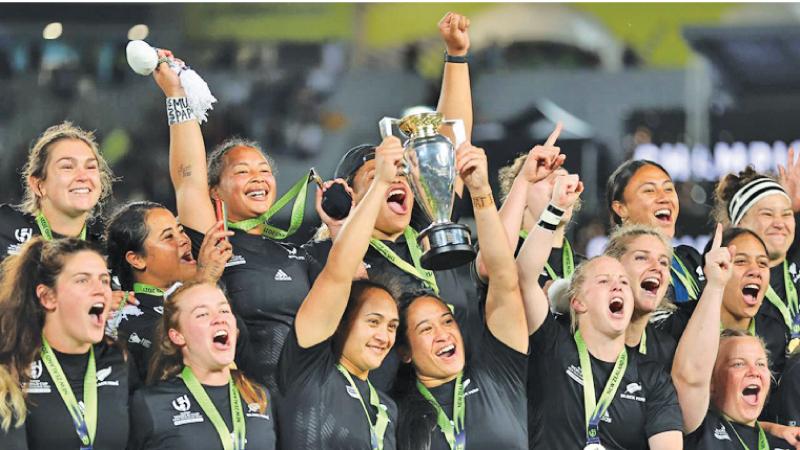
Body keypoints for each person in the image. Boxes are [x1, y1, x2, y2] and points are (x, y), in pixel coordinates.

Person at [303, 12, 481, 392]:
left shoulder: (431, 228)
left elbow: (448, 147)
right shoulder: (334, 258)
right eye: (378, 176)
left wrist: (455, 56)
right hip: (394, 408)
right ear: (349, 194)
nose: (395, 178)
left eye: (401, 172)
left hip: (470, 395)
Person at [151, 49, 316, 392]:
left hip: (305, 405)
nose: (258, 178)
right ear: (216, 192)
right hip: (244, 400)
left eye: (264, 171)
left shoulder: (295, 251)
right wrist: (176, 96)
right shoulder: (214, 242)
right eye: (242, 172)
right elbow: (187, 176)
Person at [520, 174, 684, 449]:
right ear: (578, 302)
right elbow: (524, 278)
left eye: (623, 283)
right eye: (604, 281)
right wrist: (555, 209)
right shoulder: (552, 346)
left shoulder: (651, 376)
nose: (618, 288)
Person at [392, 142, 529, 450]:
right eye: (425, 329)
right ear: (404, 351)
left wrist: (480, 193)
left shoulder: (497, 369)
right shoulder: (395, 412)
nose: (443, 334)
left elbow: (504, 277)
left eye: (446, 321)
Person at [276, 136, 405, 450]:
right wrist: (380, 184)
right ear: (341, 319)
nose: (384, 336)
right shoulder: (306, 369)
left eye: (391, 327)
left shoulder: (386, 408)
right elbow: (337, 273)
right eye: (373, 321)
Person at [0, 237, 137, 450]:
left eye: (104, 280)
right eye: (83, 280)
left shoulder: (119, 360)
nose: (100, 290)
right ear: (47, 297)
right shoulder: (12, 369)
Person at [128, 281, 276, 450]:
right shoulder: (150, 403)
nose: (219, 318)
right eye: (203, 314)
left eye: (224, 310)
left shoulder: (259, 397)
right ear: (177, 336)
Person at [104, 200, 234, 380]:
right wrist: (205, 282)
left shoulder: (217, 299)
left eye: (180, 230)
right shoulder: (120, 315)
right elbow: (168, 353)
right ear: (137, 259)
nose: (183, 240)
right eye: (168, 237)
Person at [657, 228, 787, 378]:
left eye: (763, 263)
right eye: (740, 261)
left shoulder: (773, 334)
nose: (755, 271)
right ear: (711, 270)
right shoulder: (677, 327)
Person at [714, 167, 799, 364]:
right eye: (768, 214)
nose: (779, 223)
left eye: (786, 215)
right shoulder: (726, 285)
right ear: (740, 223)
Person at [0, 122, 114, 261]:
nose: (83, 176)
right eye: (67, 167)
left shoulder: (111, 248)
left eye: (90, 167)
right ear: (38, 185)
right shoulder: (4, 227)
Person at [490, 122, 583, 288]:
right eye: (549, 180)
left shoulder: (585, 270)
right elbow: (495, 262)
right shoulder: (505, 253)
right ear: (521, 197)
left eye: (564, 180)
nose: (561, 188)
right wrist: (524, 179)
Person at [608, 159, 702, 304]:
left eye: (669, 189)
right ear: (621, 209)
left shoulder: (690, 260)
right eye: (649, 190)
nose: (664, 198)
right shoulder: (613, 272)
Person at [604, 225, 678, 367]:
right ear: (612, 266)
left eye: (663, 262)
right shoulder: (575, 335)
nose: (657, 267)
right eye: (642, 258)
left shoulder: (667, 350)